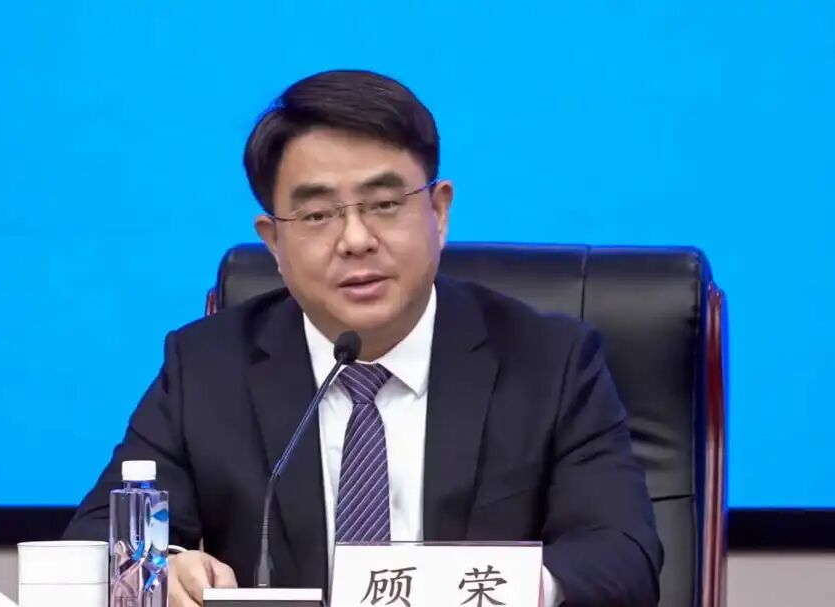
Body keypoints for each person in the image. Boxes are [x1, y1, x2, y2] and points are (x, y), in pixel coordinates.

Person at [63, 69, 662, 607]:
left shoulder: (550, 362)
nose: (355, 240)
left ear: (439, 212)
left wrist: (499, 591)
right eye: (317, 215)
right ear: (274, 243)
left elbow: (622, 555)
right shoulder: (206, 368)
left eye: (384, 204)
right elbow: (96, 540)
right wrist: (160, 568)